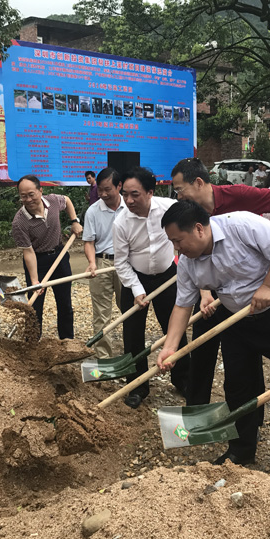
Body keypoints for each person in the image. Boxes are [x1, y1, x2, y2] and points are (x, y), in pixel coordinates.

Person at [157, 201, 270, 474]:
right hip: (235, 320)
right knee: (239, 385)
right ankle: (242, 449)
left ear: (198, 229)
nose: (176, 249)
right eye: (172, 242)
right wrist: (170, 348)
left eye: (178, 241)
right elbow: (182, 306)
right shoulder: (187, 264)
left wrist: (268, 286)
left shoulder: (241, 225)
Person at [169, 158, 270, 407]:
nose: (178, 196)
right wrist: (204, 293)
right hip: (215, 287)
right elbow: (193, 261)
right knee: (204, 346)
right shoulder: (186, 215)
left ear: (199, 182)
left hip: (254, 280)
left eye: (180, 189)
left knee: (251, 357)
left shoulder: (237, 197)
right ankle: (197, 407)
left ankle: (252, 415)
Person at [113, 167, 189, 408]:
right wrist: (137, 289)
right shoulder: (121, 222)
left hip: (167, 276)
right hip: (135, 279)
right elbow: (120, 262)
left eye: (134, 194)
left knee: (175, 329)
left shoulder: (169, 209)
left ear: (150, 192)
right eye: (125, 194)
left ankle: (183, 379)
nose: (129, 200)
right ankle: (136, 386)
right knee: (133, 334)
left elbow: (187, 239)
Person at [11, 175, 82, 339]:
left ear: (40, 191)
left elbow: (67, 200)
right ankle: (32, 343)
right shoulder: (19, 222)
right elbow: (28, 252)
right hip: (38, 261)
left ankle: (67, 341)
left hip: (60, 256)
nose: (28, 199)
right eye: (23, 196)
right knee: (35, 306)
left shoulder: (53, 201)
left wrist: (74, 221)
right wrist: (35, 280)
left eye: (31, 194)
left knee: (65, 303)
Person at [82, 167, 124, 358]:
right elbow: (89, 242)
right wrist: (92, 262)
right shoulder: (93, 211)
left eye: (108, 189)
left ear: (119, 186)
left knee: (130, 310)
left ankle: (132, 351)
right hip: (102, 263)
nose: (103, 194)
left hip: (126, 263)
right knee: (101, 314)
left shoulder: (130, 207)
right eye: (100, 189)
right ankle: (103, 357)